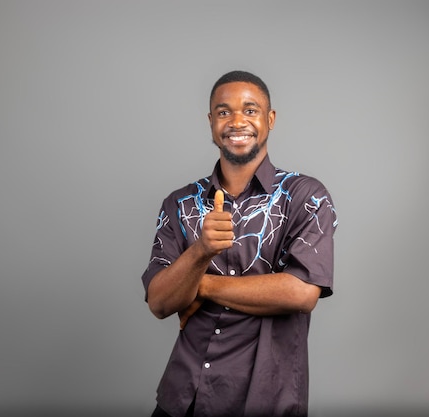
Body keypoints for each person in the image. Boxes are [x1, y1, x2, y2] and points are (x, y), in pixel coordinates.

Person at [142, 70, 337, 417]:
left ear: (270, 119)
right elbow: (159, 301)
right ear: (211, 122)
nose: (236, 121)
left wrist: (199, 285)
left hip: (266, 399)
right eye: (223, 112)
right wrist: (202, 250)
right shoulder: (180, 203)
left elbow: (301, 292)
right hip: (183, 399)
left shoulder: (306, 197)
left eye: (250, 110)